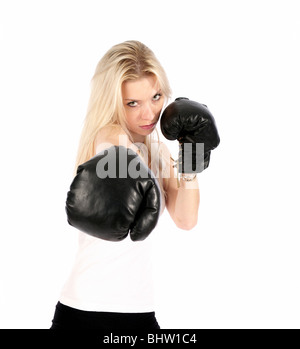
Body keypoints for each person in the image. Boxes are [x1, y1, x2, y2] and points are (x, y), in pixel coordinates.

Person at [50, 40, 220, 330]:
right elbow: (113, 148)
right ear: (113, 101)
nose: (149, 114)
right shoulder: (108, 134)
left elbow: (186, 219)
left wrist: (190, 153)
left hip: (139, 308)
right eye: (133, 103)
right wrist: (124, 159)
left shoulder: (157, 152)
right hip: (87, 311)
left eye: (156, 97)